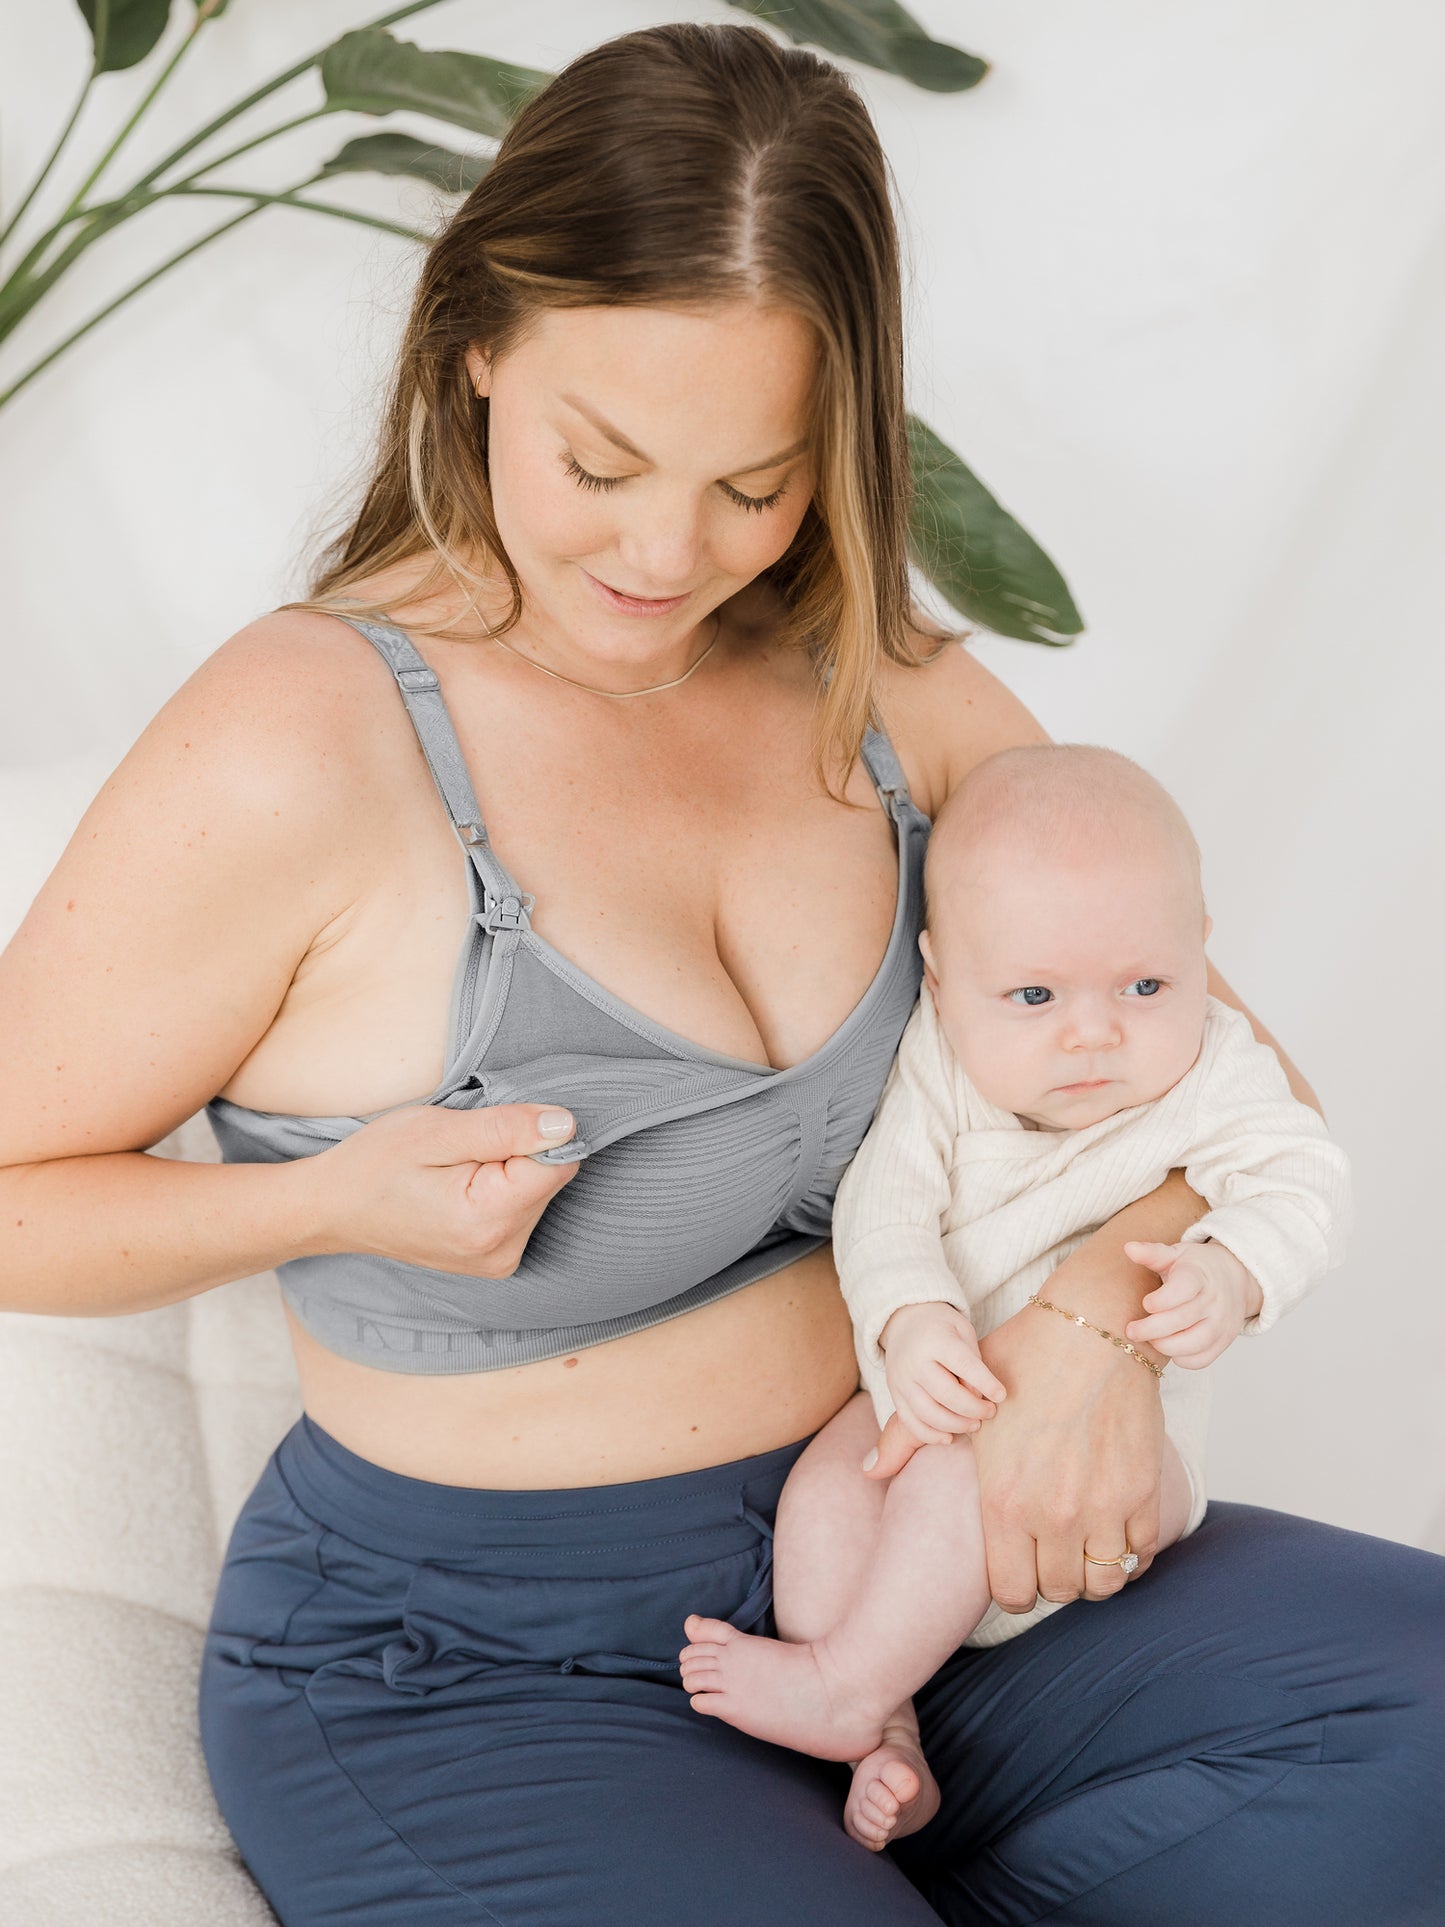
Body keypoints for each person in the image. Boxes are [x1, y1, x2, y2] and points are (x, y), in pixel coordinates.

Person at [0, 22, 1440, 1926]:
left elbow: (1230, 1084)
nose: (669, 553)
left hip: (915, 1573)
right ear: (473, 350)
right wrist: (335, 1196)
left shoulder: (881, 686)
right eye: (601, 462)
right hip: (475, 1667)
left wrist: (1092, 1324)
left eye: (755, 485)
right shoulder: (303, 738)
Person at [678, 742, 1353, 1851]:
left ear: (1200, 957)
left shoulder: (1213, 1071)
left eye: (1144, 985)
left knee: (949, 1471)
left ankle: (845, 1682)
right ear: (941, 978)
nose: (1093, 1033)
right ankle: (885, 1733)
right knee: (832, 1485)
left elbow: (1304, 1176)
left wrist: (1234, 1268)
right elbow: (882, 1205)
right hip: (945, 1416)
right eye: (1033, 994)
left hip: (1117, 1472)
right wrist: (908, 1317)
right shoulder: (938, 1061)